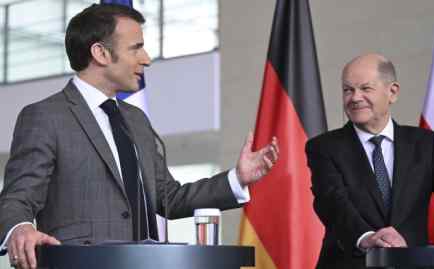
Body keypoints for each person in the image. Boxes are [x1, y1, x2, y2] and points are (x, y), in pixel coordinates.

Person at [0, 4, 279, 269]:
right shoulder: (46, 116)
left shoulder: (136, 120)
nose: (146, 59)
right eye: (136, 48)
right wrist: (20, 227)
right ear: (101, 53)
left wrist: (238, 178)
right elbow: (17, 198)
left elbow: (169, 197)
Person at [306, 53, 434, 269]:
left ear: (393, 92)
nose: (355, 97)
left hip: (410, 263)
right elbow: (331, 202)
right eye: (348, 90)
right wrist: (367, 237)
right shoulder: (324, 147)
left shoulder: (425, 144)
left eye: (365, 88)